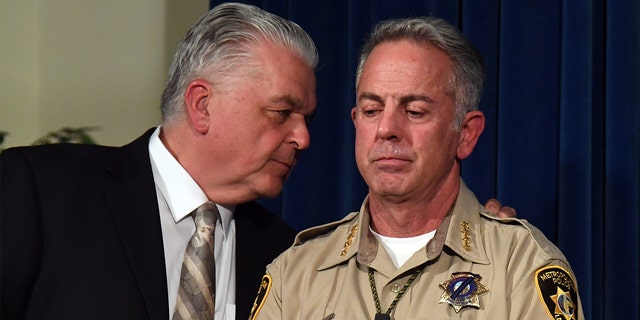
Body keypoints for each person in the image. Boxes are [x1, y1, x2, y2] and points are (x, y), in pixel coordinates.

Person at [0, 4, 512, 320]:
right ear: (203, 105)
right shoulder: (38, 192)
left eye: (306, 116)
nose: (304, 137)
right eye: (283, 112)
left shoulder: (289, 256)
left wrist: (467, 250)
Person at [249, 16, 583, 320]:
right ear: (355, 123)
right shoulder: (295, 272)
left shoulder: (522, 268)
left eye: (415, 111)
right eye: (372, 109)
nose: (386, 128)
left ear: (466, 134)